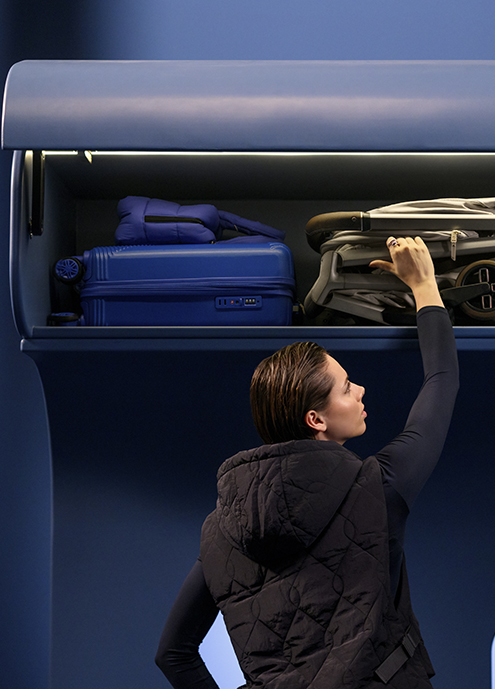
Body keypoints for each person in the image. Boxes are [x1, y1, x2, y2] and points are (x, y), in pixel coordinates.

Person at [156, 236, 459, 689]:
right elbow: (441, 382)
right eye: (345, 386)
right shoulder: (380, 486)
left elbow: (173, 654)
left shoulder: (220, 531)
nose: (359, 391)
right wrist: (425, 287)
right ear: (315, 418)